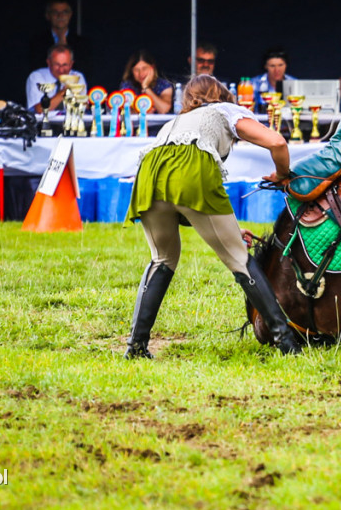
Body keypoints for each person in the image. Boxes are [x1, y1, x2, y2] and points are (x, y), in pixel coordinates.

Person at [123, 75, 300, 357]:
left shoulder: (174, 122)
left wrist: (231, 229)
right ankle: (286, 341)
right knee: (238, 258)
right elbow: (277, 142)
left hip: (148, 172)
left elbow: (176, 188)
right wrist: (282, 175)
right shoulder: (225, 110)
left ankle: (136, 346)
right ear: (221, 94)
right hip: (190, 171)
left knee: (162, 259)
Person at [25, 44, 87, 113]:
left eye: (65, 65)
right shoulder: (36, 77)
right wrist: (65, 91)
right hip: (42, 123)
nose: (61, 70)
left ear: (71, 64)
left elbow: (84, 108)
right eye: (57, 65)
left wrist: (76, 96)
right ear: (48, 63)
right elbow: (39, 110)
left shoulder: (77, 77)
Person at [29, 0, 84, 70]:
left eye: (64, 12)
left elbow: (84, 71)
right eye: (55, 12)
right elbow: (36, 68)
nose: (60, 16)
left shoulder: (83, 43)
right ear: (48, 15)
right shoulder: (37, 42)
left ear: (70, 15)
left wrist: (65, 47)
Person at [252, 47, 297, 111]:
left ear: (286, 65)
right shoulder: (254, 83)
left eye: (280, 65)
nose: (277, 70)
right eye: (272, 66)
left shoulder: (294, 83)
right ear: (266, 66)